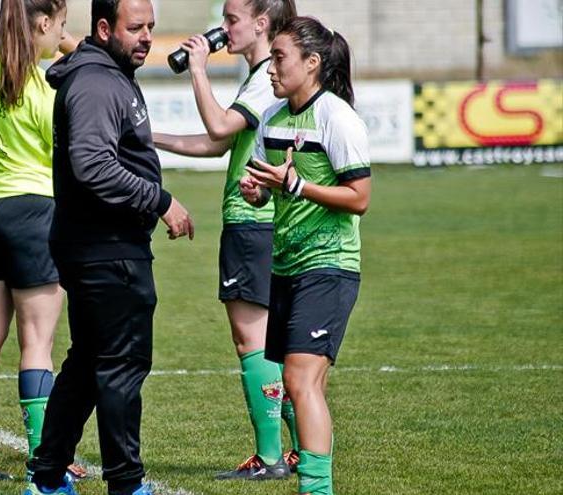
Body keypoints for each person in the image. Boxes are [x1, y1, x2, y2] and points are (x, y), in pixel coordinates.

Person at [25, 1, 194, 494]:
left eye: (151, 28)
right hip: (106, 248)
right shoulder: (97, 82)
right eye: (135, 27)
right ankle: (126, 484)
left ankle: (48, 478)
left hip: (98, 243)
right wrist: (160, 200)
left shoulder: (108, 71)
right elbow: (93, 165)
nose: (146, 37)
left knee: (87, 363)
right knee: (122, 365)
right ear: (104, 28)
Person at [152, 0, 298, 480]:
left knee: (252, 341)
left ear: (261, 23)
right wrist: (148, 136)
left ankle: (271, 456)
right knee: (271, 341)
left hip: (251, 220)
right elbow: (217, 143)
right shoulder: (261, 76)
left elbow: (217, 126)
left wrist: (198, 68)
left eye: (231, 19)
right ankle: (301, 449)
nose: (222, 29)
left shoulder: (261, 80)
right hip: (265, 221)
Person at [240, 16, 370, 495]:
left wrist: (296, 183)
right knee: (303, 383)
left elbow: (360, 197)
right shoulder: (273, 121)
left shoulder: (336, 117)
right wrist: (257, 192)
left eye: (280, 58)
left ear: (312, 63)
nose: (271, 68)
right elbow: (270, 192)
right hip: (287, 265)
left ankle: (317, 490)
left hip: (330, 264)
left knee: (300, 381)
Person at [0, 0, 79, 482]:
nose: (64, 35)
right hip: (30, 210)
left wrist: (61, 38)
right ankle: (44, 463)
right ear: (44, 23)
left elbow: (29, 38)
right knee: (37, 345)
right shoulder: (47, 92)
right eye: (61, 25)